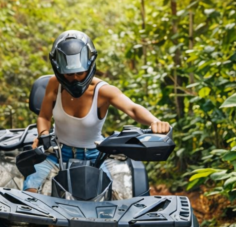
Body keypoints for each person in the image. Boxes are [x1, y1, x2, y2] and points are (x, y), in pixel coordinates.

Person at [23, 30, 171, 193]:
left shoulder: (103, 91)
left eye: (80, 72)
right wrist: (43, 135)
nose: (75, 78)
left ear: (90, 65)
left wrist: (155, 122)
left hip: (96, 156)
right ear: (60, 70)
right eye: (69, 74)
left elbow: (133, 109)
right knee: (31, 189)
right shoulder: (54, 84)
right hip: (57, 152)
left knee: (119, 195)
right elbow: (44, 116)